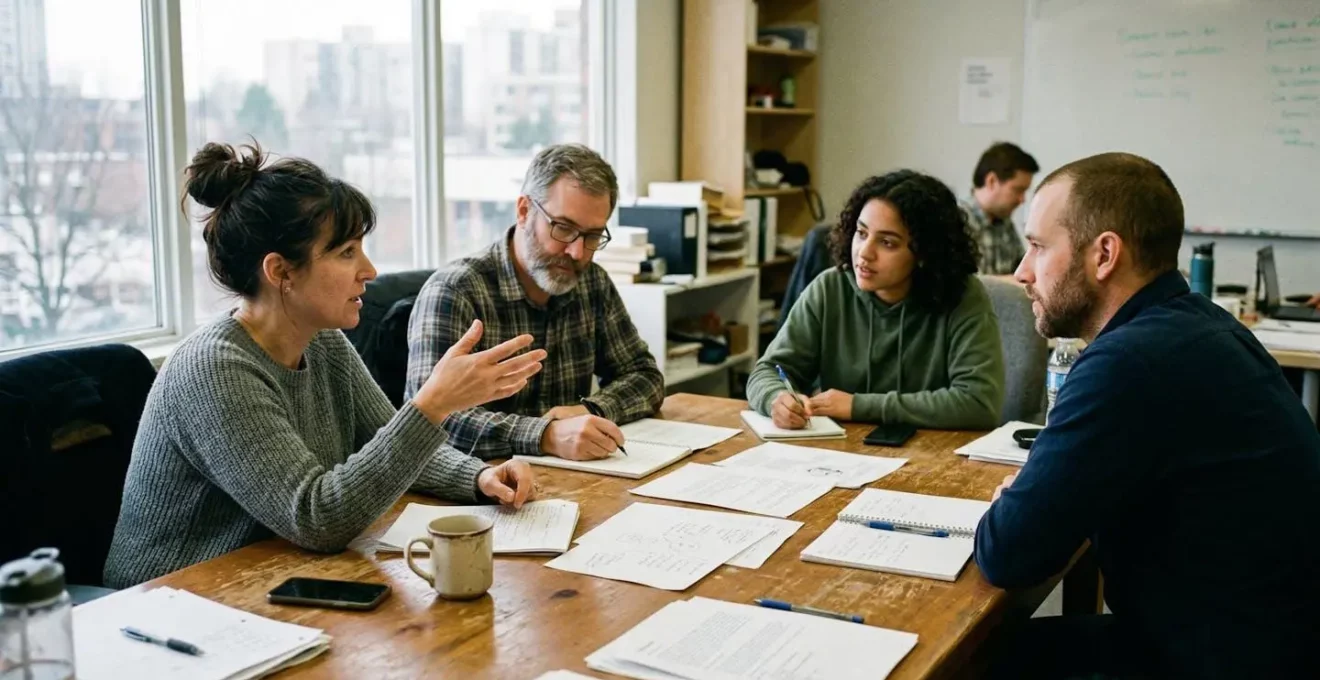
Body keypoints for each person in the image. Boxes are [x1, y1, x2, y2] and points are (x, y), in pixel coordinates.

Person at [104, 142, 546, 588]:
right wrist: (430, 406)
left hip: (267, 580)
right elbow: (317, 518)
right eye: (346, 252)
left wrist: (480, 476)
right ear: (280, 272)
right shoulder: (214, 370)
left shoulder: (323, 342)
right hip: (169, 606)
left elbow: (388, 441)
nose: (369, 269)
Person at [974, 153, 1320, 678]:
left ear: (1105, 254)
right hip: (1261, 637)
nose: (1022, 272)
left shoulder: (1128, 362)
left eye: (1038, 247)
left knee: (969, 661)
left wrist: (1023, 504)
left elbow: (1008, 552)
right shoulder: (1199, 323)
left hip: (1220, 658)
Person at [406, 144, 664, 461]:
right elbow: (429, 421)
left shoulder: (591, 282)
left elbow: (645, 377)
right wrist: (546, 435)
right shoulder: (455, 291)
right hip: (482, 490)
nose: (577, 253)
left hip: (578, 478)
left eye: (593, 236)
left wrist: (590, 409)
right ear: (524, 211)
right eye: (564, 228)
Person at [746, 170, 1005, 431]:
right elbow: (767, 371)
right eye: (861, 233)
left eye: (887, 243)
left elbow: (979, 402)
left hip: (933, 457)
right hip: (842, 454)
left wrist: (857, 405)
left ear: (925, 253)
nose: (865, 253)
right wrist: (775, 399)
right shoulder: (829, 288)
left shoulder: (962, 296)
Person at [960, 142, 1039, 275]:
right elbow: (964, 283)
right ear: (991, 181)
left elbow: (1022, 269)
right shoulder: (957, 220)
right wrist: (1012, 283)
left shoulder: (1004, 220)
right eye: (1018, 190)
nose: (1022, 199)